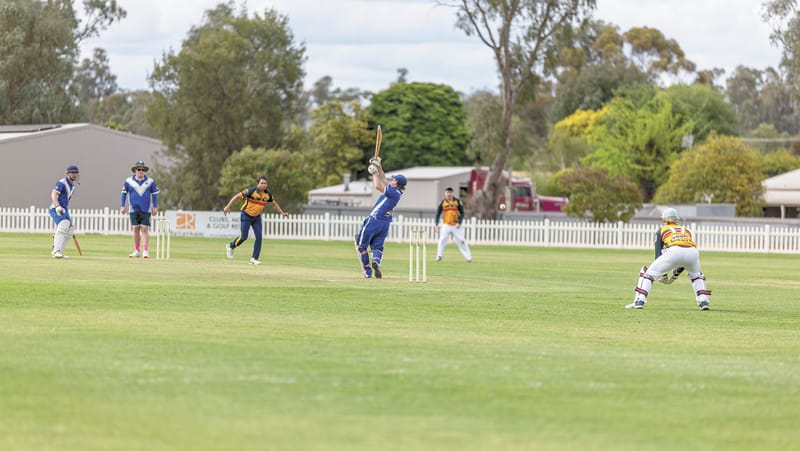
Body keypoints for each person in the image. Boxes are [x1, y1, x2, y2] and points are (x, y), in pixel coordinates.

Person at [626, 208, 712, 310]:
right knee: (697, 276)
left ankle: (639, 301)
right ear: (677, 220)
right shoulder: (686, 230)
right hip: (692, 252)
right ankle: (703, 302)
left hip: (674, 251)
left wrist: (663, 273)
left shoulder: (661, 230)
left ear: (664, 220)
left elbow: (658, 254)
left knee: (648, 274)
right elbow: (684, 251)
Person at [355, 157, 406, 279]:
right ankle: (376, 262)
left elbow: (378, 185)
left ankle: (367, 272)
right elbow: (383, 178)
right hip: (385, 224)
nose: (391, 180)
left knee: (361, 246)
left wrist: (373, 173)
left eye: (393, 179)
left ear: (396, 183)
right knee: (377, 247)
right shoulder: (396, 192)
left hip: (374, 220)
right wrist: (378, 165)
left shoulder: (393, 192)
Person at [223, 176, 288, 265]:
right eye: (262, 183)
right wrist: (228, 206)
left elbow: (274, 204)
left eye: (265, 183)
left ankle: (254, 258)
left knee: (259, 237)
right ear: (257, 184)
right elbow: (236, 197)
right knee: (243, 237)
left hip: (257, 218)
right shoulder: (250, 191)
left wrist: (282, 213)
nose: (264, 185)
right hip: (246, 215)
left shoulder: (268, 195)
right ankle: (231, 246)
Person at [120, 161, 160, 258]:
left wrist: (155, 206)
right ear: (135, 170)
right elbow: (124, 193)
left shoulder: (150, 181)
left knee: (145, 229)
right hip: (133, 208)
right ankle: (137, 250)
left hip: (146, 209)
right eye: (139, 169)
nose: (141, 171)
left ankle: (145, 250)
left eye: (143, 169)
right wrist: (122, 205)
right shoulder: (128, 181)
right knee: (135, 229)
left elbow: (155, 194)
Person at [49, 165, 80, 259]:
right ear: (68, 173)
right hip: (55, 208)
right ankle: (56, 251)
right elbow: (54, 194)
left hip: (64, 209)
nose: (74, 175)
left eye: (76, 173)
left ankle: (60, 252)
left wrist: (64, 209)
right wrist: (57, 206)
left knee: (70, 229)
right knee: (64, 224)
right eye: (72, 173)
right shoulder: (62, 182)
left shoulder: (73, 186)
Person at [434, 186, 472, 262]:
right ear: (445, 193)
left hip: (456, 225)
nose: (449, 194)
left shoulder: (457, 201)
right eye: (447, 192)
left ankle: (468, 257)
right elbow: (438, 214)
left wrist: (459, 222)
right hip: (446, 225)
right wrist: (436, 224)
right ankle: (439, 256)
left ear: (452, 193)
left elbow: (462, 213)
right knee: (442, 240)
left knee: (461, 241)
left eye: (450, 192)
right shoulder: (443, 202)